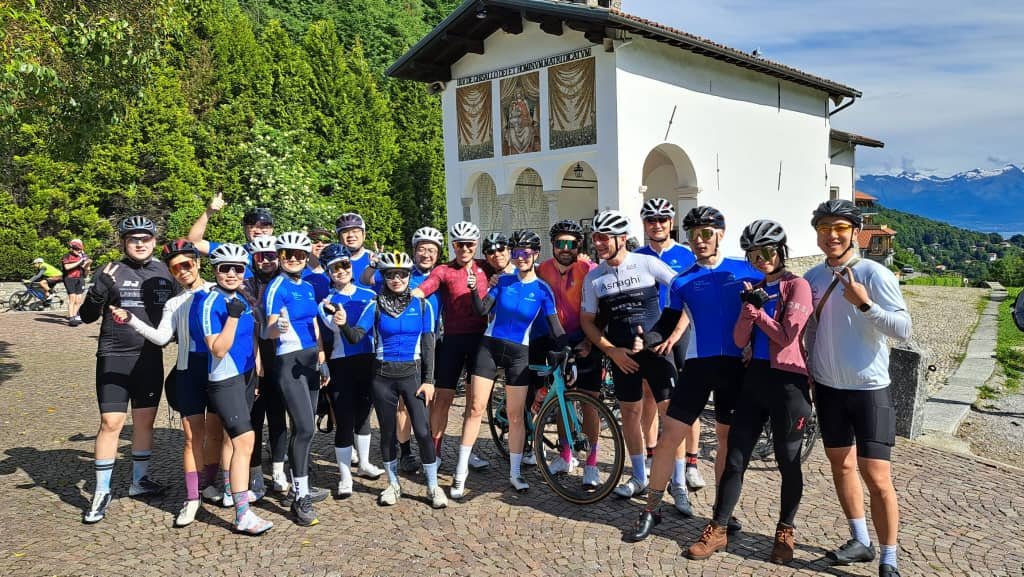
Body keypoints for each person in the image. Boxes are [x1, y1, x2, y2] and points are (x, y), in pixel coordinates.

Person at [626, 206, 761, 543]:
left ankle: (722, 512)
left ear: (721, 234)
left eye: (706, 233)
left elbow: (766, 312)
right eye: (694, 234)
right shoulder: (683, 280)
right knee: (670, 434)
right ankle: (652, 509)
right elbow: (667, 323)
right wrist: (647, 340)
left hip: (735, 367)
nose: (700, 241)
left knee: (727, 442)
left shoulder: (746, 270)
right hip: (698, 366)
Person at [682, 220, 812, 563]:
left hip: (789, 383)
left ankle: (785, 529)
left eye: (768, 252)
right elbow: (741, 339)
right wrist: (747, 312)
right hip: (755, 379)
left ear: (781, 251)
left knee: (788, 460)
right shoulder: (755, 286)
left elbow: (787, 336)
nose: (762, 259)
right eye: (754, 254)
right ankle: (718, 529)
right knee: (736, 458)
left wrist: (759, 315)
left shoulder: (796, 287)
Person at [805, 199, 911, 577]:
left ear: (854, 232)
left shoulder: (875, 274)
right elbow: (806, 327)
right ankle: (860, 540)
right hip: (828, 388)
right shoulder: (813, 278)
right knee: (842, 465)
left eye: (839, 228)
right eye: (823, 228)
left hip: (869, 389)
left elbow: (904, 329)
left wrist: (866, 306)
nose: (831, 235)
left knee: (877, 476)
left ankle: (889, 558)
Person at [109, 240, 221, 527]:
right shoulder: (174, 302)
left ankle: (212, 484)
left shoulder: (218, 291)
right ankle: (192, 498)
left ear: (197, 262)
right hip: (187, 372)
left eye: (187, 264)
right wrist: (132, 320)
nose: (183, 271)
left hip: (219, 372)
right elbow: (161, 338)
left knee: (217, 435)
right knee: (191, 438)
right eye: (175, 268)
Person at [579, 210, 688, 500]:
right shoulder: (594, 277)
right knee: (630, 413)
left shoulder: (647, 263)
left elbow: (686, 294)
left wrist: (673, 336)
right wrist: (611, 350)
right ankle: (639, 476)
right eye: (596, 238)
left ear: (622, 238)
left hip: (656, 351)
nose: (599, 243)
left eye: (604, 238)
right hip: (622, 355)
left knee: (671, 416)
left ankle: (678, 482)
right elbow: (587, 320)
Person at [451, 230, 567, 496]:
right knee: (476, 408)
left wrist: (568, 349)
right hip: (489, 348)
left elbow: (555, 328)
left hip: (518, 353)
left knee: (516, 416)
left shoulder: (542, 289)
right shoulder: (502, 281)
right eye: (516, 253)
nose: (521, 258)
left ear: (536, 255)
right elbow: (482, 310)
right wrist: (472, 289)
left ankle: (514, 474)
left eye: (526, 253)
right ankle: (460, 473)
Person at [80, 216, 176, 524]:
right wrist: (98, 292)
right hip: (114, 355)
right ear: (123, 242)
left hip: (150, 357)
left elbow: (179, 309)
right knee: (111, 422)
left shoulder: (165, 271)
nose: (139, 243)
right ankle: (101, 490)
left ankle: (139, 481)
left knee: (144, 422)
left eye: (145, 238)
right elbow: (87, 316)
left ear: (153, 242)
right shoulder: (110, 271)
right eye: (133, 239)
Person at [336, 252, 446, 508]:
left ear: (409, 276)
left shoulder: (422, 305)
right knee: (387, 434)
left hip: (412, 375)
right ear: (383, 277)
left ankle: (433, 486)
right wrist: (342, 324)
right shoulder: (374, 305)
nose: (397, 279)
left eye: (402, 274)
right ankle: (393, 484)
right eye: (390, 275)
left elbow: (429, 346)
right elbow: (356, 337)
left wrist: (429, 380)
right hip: (382, 376)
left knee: (422, 431)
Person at [200, 243, 273, 535]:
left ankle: (233, 491)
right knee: (245, 441)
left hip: (246, 376)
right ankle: (243, 514)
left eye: (237, 268)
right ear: (215, 271)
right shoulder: (210, 303)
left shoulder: (243, 297)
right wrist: (231, 317)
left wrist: (256, 363)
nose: (231, 273)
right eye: (224, 268)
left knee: (234, 442)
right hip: (224, 379)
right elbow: (217, 349)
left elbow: (252, 334)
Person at [360, 226, 446, 474]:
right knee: (403, 405)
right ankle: (405, 451)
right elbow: (367, 279)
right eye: (421, 249)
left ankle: (432, 450)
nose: (426, 254)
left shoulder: (441, 274)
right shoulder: (403, 273)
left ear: (438, 253)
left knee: (429, 398)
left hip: (432, 341)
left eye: (431, 250)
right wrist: (375, 264)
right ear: (414, 251)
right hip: (401, 348)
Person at [410, 222, 493, 469]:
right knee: (443, 399)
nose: (464, 249)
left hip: (480, 341)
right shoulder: (444, 270)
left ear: (476, 244)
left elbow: (512, 267)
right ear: (453, 245)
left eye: (469, 244)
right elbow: (425, 288)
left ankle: (468, 451)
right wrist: (407, 296)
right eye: (459, 244)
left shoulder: (485, 267)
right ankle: (434, 454)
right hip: (452, 341)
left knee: (473, 401)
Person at [634, 198, 704, 492]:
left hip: (682, 330)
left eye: (663, 219)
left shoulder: (686, 255)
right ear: (645, 224)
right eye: (651, 220)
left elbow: (693, 300)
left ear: (671, 223)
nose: (658, 224)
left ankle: (691, 462)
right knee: (649, 395)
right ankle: (651, 454)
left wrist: (675, 333)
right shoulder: (636, 256)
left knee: (689, 398)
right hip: (651, 331)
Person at [263, 231, 329, 526]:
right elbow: (268, 330)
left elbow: (313, 322)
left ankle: (299, 485)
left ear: (305, 258)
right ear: (280, 256)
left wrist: (322, 356)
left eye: (299, 255)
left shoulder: (307, 286)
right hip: (288, 362)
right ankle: (299, 497)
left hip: (310, 360)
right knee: (302, 428)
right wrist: (280, 326)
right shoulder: (277, 286)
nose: (293, 258)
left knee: (306, 428)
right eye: (287, 254)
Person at [531, 219, 601, 483]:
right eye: (559, 243)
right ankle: (565, 453)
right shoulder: (542, 270)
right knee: (562, 397)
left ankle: (592, 464)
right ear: (552, 245)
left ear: (579, 245)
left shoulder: (589, 269)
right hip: (555, 341)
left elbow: (603, 306)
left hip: (584, 340)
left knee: (589, 400)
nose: (565, 248)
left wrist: (592, 342)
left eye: (570, 244)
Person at [318, 243, 382, 499]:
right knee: (345, 420)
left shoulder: (369, 295)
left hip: (368, 360)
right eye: (334, 268)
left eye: (344, 265)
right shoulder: (325, 303)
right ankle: (345, 477)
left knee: (365, 416)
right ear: (328, 272)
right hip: (341, 363)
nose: (341, 271)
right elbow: (335, 331)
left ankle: (364, 463)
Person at [241, 235, 290, 497]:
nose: (267, 261)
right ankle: (256, 473)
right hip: (253, 359)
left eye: (271, 256)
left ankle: (280, 470)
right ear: (253, 259)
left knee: (278, 416)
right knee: (254, 418)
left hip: (282, 356)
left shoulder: (287, 282)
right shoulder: (245, 286)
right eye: (261, 257)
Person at [335, 213, 374, 288]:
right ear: (339, 237)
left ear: (364, 235)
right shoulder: (332, 263)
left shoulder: (375, 260)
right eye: (345, 232)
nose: (350, 235)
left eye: (355, 231)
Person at [62, 239, 91, 326]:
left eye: (80, 249)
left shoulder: (82, 256)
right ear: (72, 248)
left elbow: (86, 271)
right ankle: (71, 318)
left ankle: (74, 316)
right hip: (70, 278)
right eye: (77, 249)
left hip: (80, 278)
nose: (79, 251)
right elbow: (67, 267)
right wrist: (79, 261)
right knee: (72, 298)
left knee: (78, 300)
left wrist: (87, 266)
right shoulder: (67, 256)